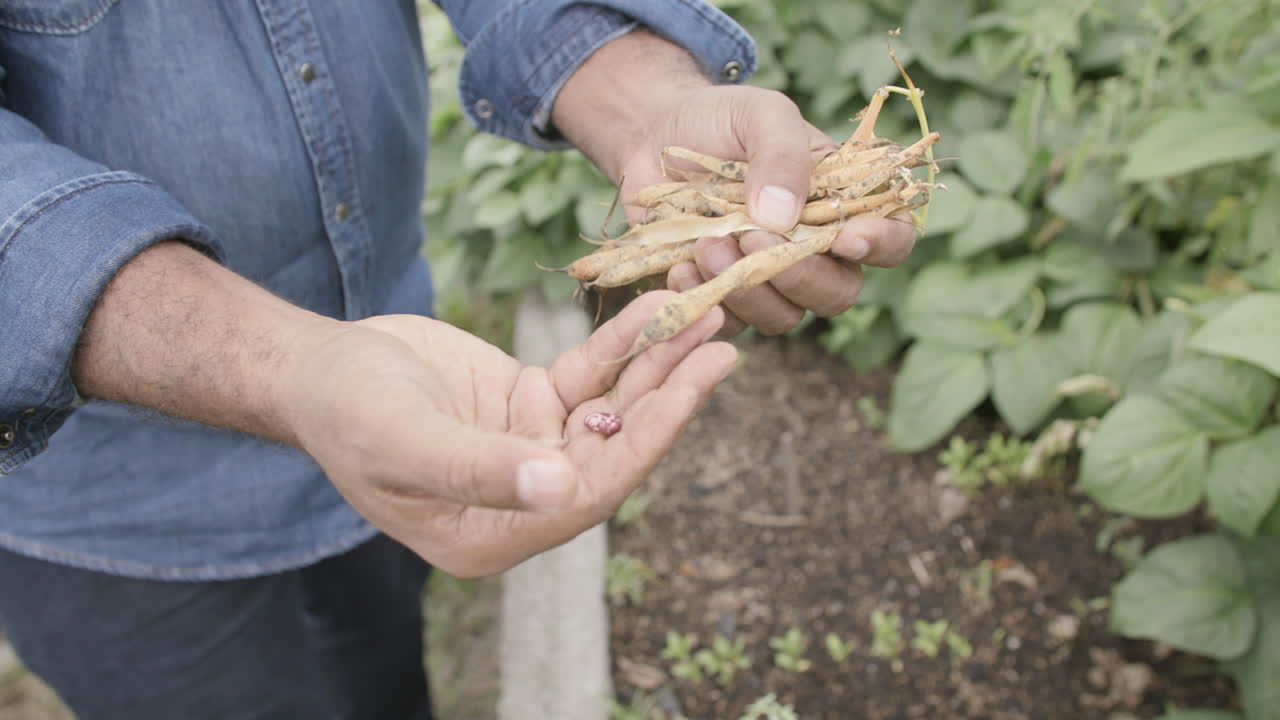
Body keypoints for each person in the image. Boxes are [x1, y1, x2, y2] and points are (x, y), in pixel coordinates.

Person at [0, 1, 915, 717]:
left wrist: (651, 107)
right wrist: (292, 368)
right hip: (116, 512)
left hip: (409, 388)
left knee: (387, 685)